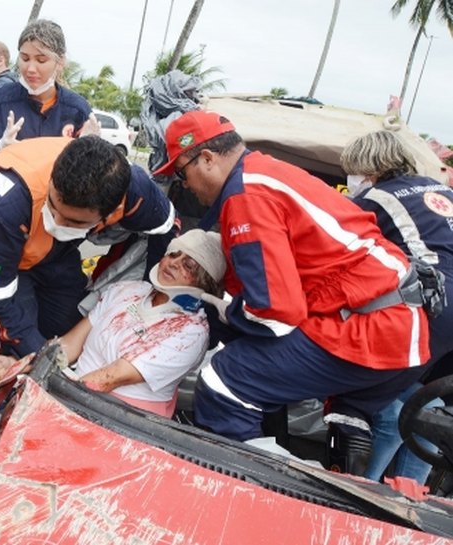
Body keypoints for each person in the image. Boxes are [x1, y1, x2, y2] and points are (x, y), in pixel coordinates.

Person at [153, 110, 431, 476]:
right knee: (255, 364)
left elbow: (274, 310)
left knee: (225, 380)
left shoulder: (245, 195)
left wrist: (222, 314)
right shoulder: (264, 174)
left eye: (181, 173)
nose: (184, 184)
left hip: (374, 325)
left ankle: (249, 488)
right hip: (396, 318)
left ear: (206, 158)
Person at [0, 135, 177, 424]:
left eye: (73, 222)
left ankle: (35, 415)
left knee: (66, 323)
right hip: (5, 250)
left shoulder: (136, 192)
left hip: (58, 257)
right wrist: (40, 356)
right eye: (54, 206)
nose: (57, 223)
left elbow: (164, 231)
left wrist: (150, 296)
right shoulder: (7, 199)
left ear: (109, 214)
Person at [0, 229, 225, 418]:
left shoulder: (191, 333)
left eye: (189, 265)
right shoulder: (127, 290)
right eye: (174, 254)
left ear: (204, 283)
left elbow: (108, 379)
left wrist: (27, 379)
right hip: (69, 397)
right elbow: (68, 345)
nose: (174, 263)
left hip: (118, 423)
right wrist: (21, 366)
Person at [340, 130, 453, 484]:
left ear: (365, 168)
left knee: (368, 405)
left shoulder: (374, 199)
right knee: (426, 405)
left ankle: (360, 494)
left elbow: (340, 258)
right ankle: (408, 496)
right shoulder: (438, 189)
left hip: (436, 304)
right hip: (444, 314)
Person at [0, 19, 93, 178]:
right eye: (25, 58)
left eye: (41, 60)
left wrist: (89, 156)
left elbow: (89, 183)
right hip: (0, 201)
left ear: (60, 62)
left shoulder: (77, 110)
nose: (30, 69)